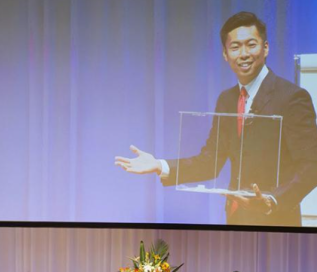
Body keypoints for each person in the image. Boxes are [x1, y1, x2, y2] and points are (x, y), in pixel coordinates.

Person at [115, 11, 317, 227]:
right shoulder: (226, 99)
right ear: (225, 54)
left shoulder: (292, 97)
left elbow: (311, 166)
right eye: (235, 47)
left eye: (251, 45)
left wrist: (272, 201)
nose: (244, 54)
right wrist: (159, 165)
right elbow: (210, 162)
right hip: (235, 219)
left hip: (277, 223)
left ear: (265, 48)